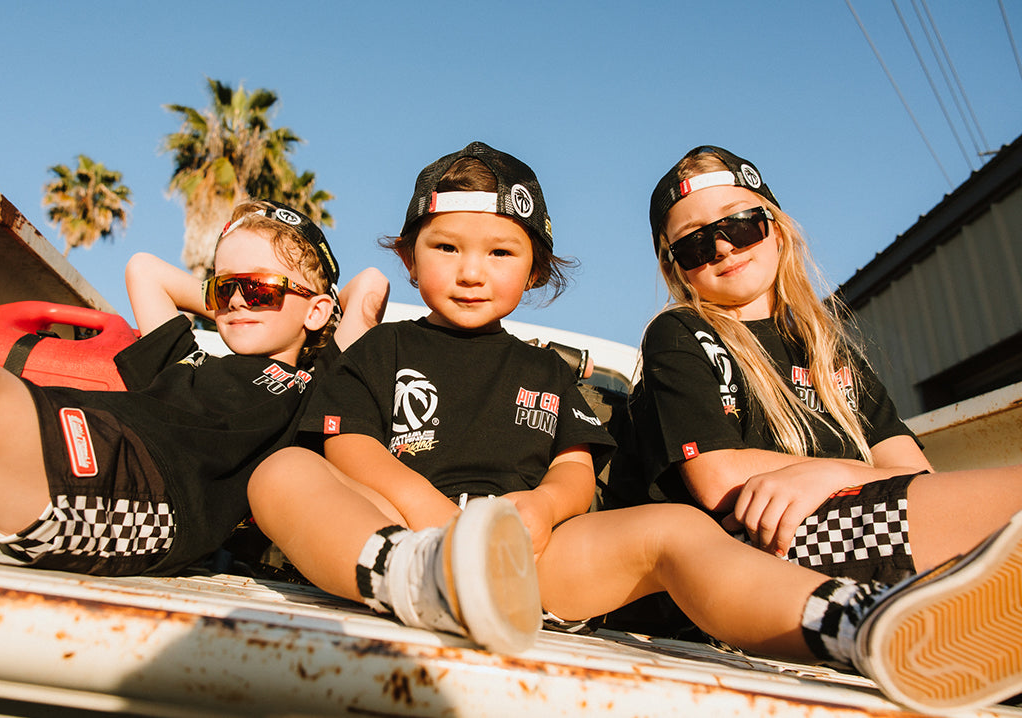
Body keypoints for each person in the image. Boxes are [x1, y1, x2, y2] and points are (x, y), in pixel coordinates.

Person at [247, 142, 1022, 714]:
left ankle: (863, 626)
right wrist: (435, 533)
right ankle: (408, 576)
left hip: (531, 564)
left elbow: (577, 472)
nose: (471, 270)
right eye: (445, 248)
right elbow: (349, 445)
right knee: (281, 473)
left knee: (675, 535)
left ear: (537, 270)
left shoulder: (553, 370)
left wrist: (537, 517)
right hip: (405, 542)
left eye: (500, 252)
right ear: (410, 262)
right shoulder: (384, 346)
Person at [606, 145, 1022, 585]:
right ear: (677, 270)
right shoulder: (679, 333)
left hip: (857, 531)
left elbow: (917, 473)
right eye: (695, 243)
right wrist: (851, 476)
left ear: (777, 230)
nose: (724, 248)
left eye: (740, 224)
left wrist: (826, 474)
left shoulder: (829, 351)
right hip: (754, 553)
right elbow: (717, 477)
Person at [0, 199, 388, 577]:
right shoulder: (186, 362)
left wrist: (309, 306)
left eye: (257, 288)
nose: (235, 300)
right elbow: (143, 270)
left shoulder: (317, 384)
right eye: (224, 288)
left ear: (317, 312)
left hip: (144, 487)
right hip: (80, 426)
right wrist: (250, 303)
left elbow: (370, 285)